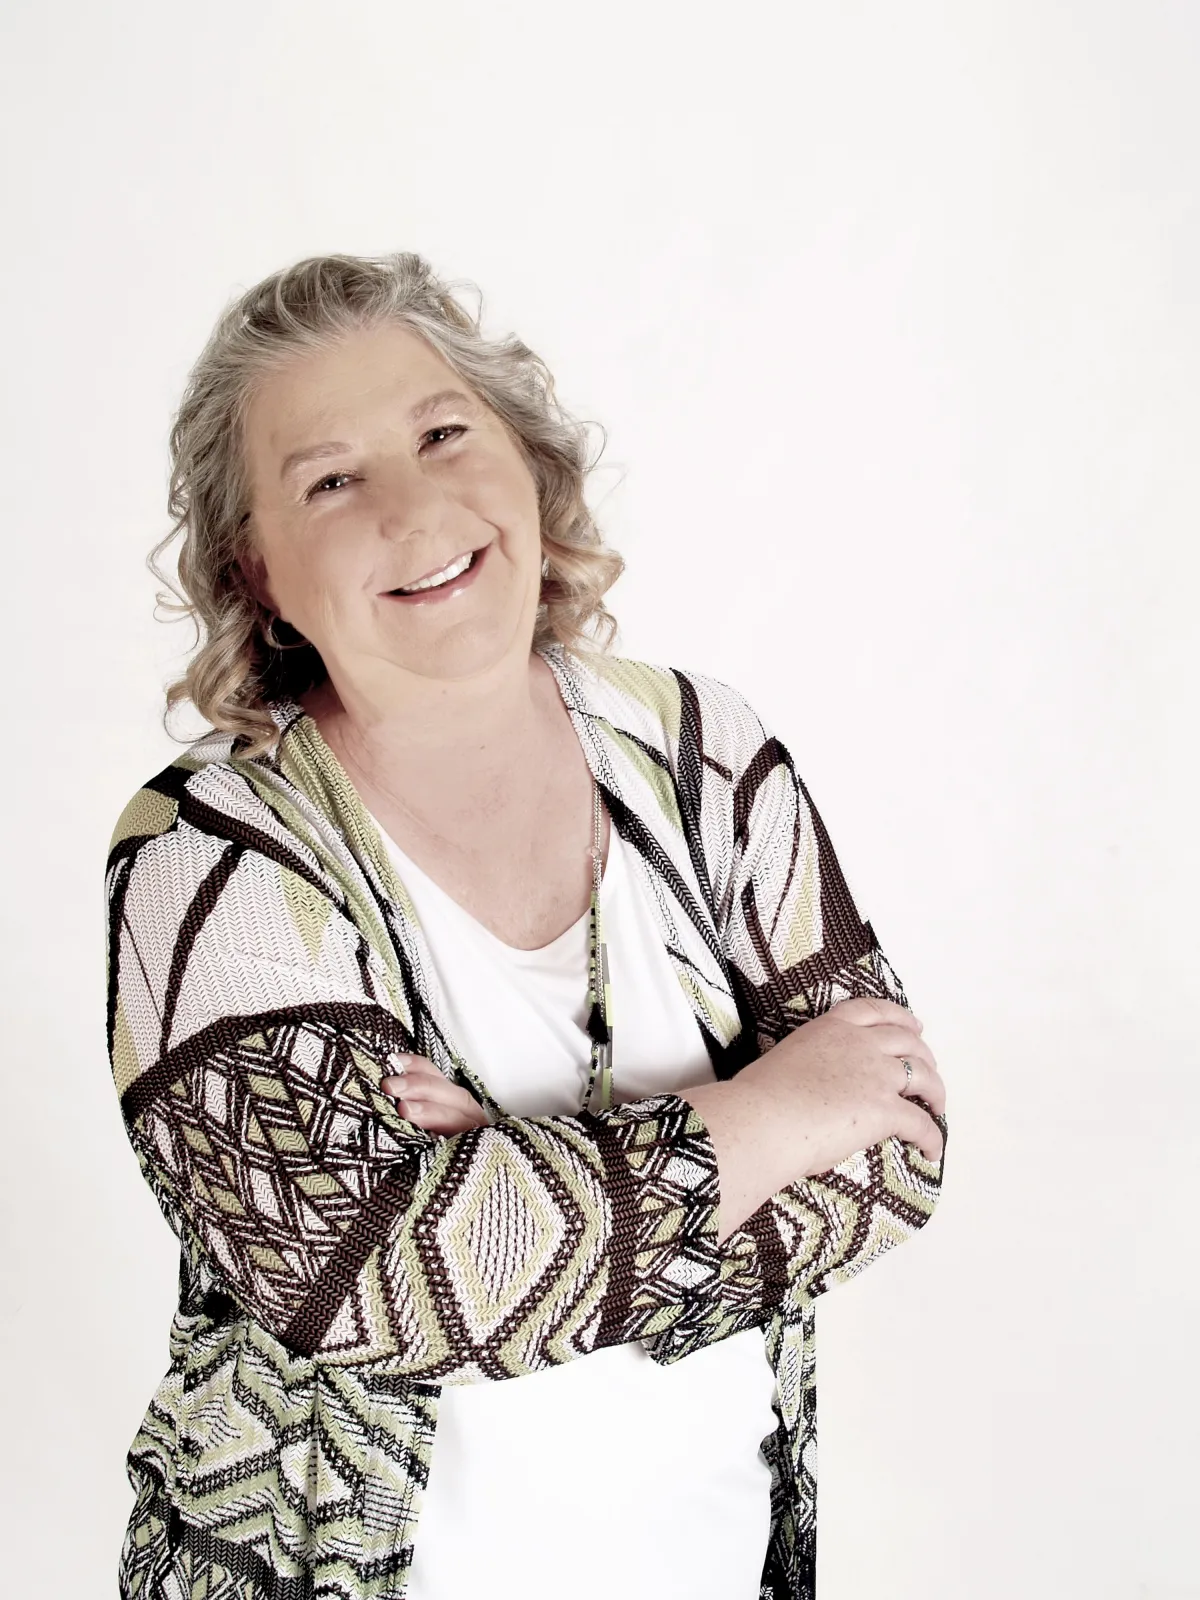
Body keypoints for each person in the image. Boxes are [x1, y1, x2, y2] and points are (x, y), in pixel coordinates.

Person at [105, 250, 947, 1600]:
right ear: (257, 569)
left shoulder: (699, 748)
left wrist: (506, 1182)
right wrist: (774, 1112)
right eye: (331, 480)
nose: (414, 506)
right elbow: (371, 1287)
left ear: (526, 460)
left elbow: (898, 1145)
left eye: (445, 434)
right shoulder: (208, 851)